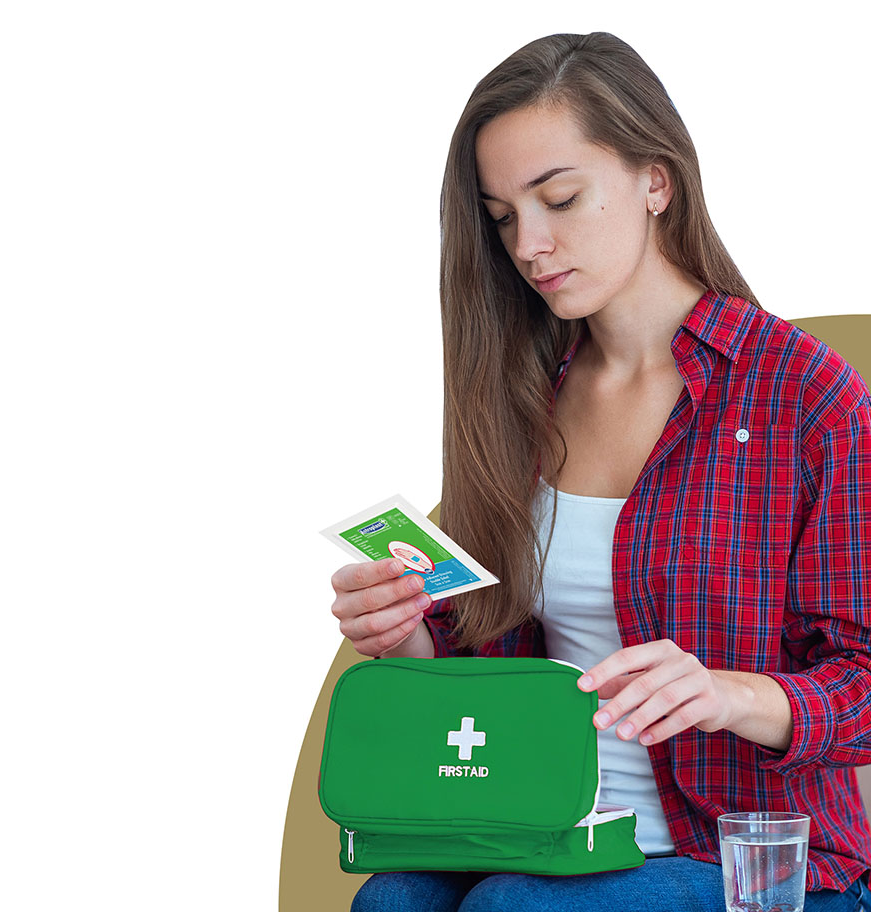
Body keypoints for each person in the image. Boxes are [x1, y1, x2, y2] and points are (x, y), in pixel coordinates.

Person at [328, 31, 871, 912]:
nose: (531, 244)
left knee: (515, 908)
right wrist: (409, 639)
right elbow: (493, 677)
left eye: (561, 198)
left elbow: (865, 678)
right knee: (394, 899)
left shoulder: (805, 396)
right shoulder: (520, 402)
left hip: (742, 857)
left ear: (656, 181)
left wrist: (728, 694)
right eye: (503, 217)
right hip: (538, 826)